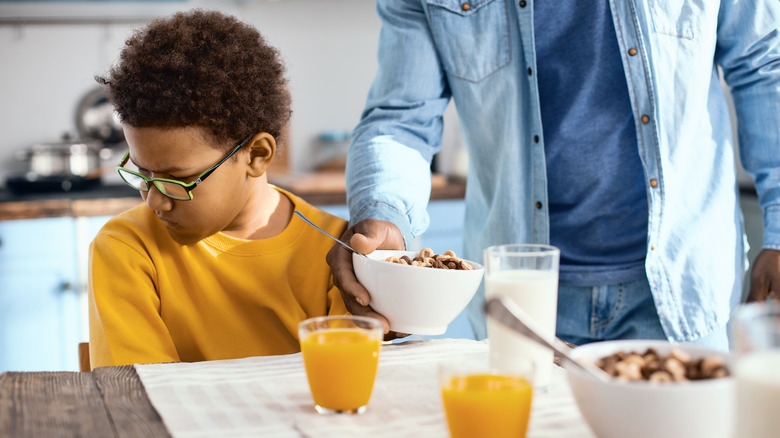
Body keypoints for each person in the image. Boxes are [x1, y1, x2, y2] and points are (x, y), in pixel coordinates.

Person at [328, 0, 780, 350]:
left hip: (684, 289)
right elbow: (402, 114)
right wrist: (382, 208)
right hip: (521, 302)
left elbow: (765, 66)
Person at [89, 9, 348, 368]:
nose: (154, 202)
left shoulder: (338, 253)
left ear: (257, 155)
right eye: (142, 173)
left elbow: (342, 387)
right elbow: (140, 397)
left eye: (178, 180)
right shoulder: (126, 247)